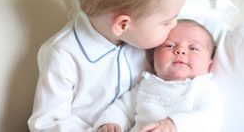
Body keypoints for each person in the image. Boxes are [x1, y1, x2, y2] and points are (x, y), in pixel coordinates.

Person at [28, 0, 189, 131]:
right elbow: (45, 123)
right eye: (166, 22)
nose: (174, 24)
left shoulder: (146, 33)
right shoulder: (64, 55)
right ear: (122, 25)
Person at [94, 19, 223, 132]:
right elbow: (123, 108)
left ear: (209, 65)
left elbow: (210, 118)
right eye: (169, 45)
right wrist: (111, 122)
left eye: (193, 48)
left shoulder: (203, 87)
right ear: (153, 58)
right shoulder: (146, 84)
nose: (180, 50)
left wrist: (174, 124)